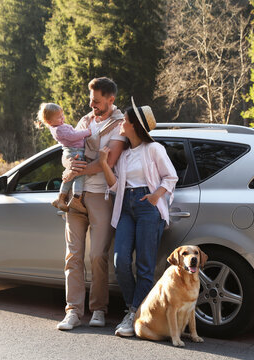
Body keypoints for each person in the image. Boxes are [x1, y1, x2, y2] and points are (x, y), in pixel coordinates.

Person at [98, 97, 178, 337]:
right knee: (120, 261)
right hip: (125, 207)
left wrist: (156, 197)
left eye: (126, 120)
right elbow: (114, 188)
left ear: (135, 125)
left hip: (146, 206)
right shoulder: (123, 155)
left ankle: (133, 313)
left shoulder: (154, 149)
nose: (122, 122)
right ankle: (137, 308)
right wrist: (103, 163)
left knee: (144, 265)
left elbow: (170, 176)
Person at [56, 77, 127, 330]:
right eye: (90, 100)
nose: (92, 105)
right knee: (72, 256)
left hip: (101, 197)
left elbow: (111, 161)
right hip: (77, 195)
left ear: (111, 99)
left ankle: (98, 309)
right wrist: (69, 165)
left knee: (98, 256)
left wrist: (78, 170)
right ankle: (73, 311)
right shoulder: (85, 121)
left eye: (96, 101)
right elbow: (67, 149)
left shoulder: (120, 125)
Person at [36, 102, 91, 213]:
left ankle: (61, 198)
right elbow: (73, 136)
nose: (62, 118)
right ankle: (76, 198)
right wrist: (87, 132)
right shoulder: (59, 129)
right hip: (76, 152)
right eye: (59, 117)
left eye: (62, 115)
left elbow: (72, 133)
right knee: (80, 174)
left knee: (70, 176)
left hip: (72, 151)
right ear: (49, 121)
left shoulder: (57, 127)